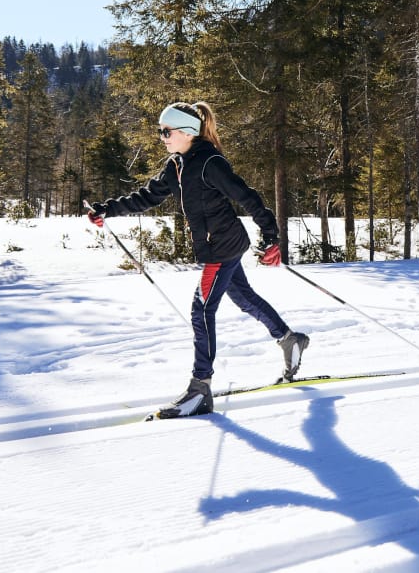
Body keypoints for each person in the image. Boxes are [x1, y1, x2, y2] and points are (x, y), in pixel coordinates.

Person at [87, 101, 310, 419]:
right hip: (222, 246)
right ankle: (290, 340)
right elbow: (148, 196)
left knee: (201, 309)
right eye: (159, 131)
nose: (162, 136)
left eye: (167, 131)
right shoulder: (177, 165)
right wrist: (107, 209)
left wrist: (271, 235)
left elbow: (246, 196)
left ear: (187, 131)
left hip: (223, 248)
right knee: (244, 299)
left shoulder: (209, 162)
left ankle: (200, 388)